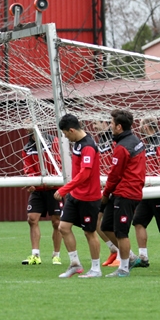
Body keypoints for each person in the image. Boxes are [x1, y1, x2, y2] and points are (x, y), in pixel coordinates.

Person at [54, 114, 102, 278]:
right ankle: (75, 264)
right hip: (76, 195)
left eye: (66, 133)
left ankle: (96, 269)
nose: (66, 137)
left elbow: (85, 174)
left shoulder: (88, 146)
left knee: (90, 232)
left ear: (72, 130)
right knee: (63, 227)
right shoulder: (78, 144)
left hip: (88, 197)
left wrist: (64, 189)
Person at [100, 109, 146, 278]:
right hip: (123, 191)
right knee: (106, 226)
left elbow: (114, 175)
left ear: (119, 127)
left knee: (121, 232)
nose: (110, 126)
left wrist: (105, 196)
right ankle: (132, 258)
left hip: (126, 193)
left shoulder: (122, 147)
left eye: (111, 123)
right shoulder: (134, 140)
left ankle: (124, 268)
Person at [132, 117, 160, 267]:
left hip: (159, 192)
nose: (138, 127)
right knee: (138, 222)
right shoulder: (146, 144)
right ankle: (143, 258)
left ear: (146, 126)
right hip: (147, 192)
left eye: (140, 124)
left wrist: (156, 184)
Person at [21, 127, 63, 265]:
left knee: (57, 222)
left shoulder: (54, 141)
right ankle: (35, 255)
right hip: (38, 190)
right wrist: (31, 181)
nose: (27, 127)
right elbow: (27, 168)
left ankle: (56, 255)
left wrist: (55, 179)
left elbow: (60, 162)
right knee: (32, 219)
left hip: (54, 187)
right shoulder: (27, 148)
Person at [92, 119, 120, 267]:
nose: (93, 126)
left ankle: (124, 254)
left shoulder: (115, 140)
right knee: (95, 221)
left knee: (113, 224)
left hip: (116, 187)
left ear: (107, 124)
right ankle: (113, 249)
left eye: (96, 123)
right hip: (103, 187)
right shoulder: (100, 140)